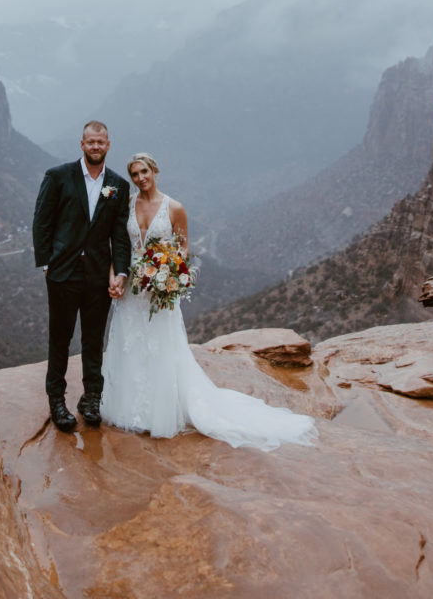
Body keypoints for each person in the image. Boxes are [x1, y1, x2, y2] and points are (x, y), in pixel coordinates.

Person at [101, 152, 317, 449]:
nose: (140, 178)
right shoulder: (126, 206)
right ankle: (131, 408)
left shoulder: (174, 208)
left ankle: (159, 412)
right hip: (132, 292)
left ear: (154, 171)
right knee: (132, 345)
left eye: (144, 172)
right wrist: (116, 276)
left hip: (158, 289)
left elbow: (182, 250)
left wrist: (166, 277)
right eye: (135, 174)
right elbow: (119, 247)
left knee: (161, 347)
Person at [32, 121, 131, 432]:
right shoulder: (58, 176)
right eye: (90, 142)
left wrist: (122, 272)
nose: (96, 146)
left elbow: (120, 235)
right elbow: (42, 222)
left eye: (101, 142)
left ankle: (91, 398)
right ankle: (57, 401)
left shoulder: (117, 184)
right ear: (82, 144)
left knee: (92, 339)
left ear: (108, 144)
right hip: (63, 273)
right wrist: (46, 264)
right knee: (60, 339)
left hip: (97, 276)